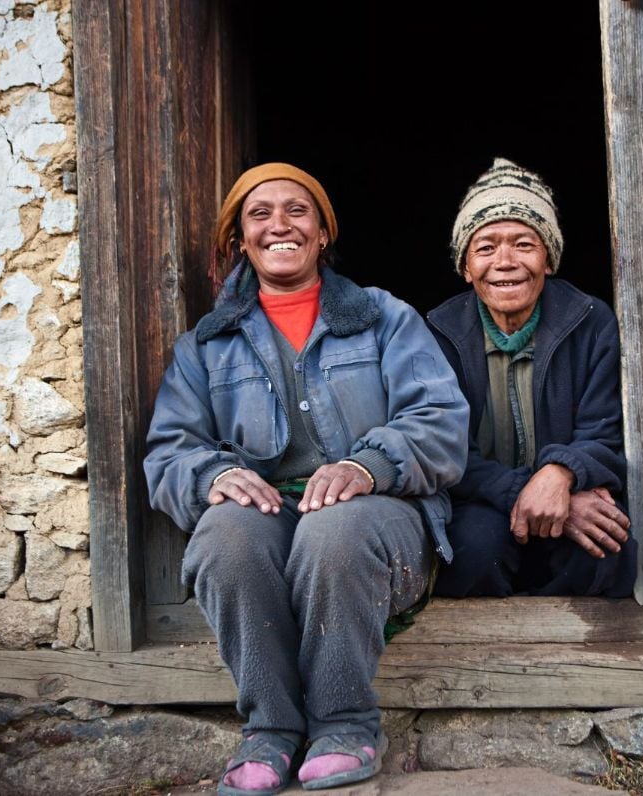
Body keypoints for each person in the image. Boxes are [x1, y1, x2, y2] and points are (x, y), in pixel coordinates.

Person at [144, 163, 468, 795]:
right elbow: (168, 452)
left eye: (297, 211)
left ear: (323, 233)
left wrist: (365, 464)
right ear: (240, 240)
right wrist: (214, 474)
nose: (279, 225)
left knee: (333, 531)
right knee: (225, 540)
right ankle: (269, 732)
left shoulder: (383, 318)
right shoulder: (206, 347)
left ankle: (345, 724)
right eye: (258, 215)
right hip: (271, 522)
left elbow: (441, 421)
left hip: (381, 516)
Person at [426, 157, 637, 598]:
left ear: (549, 258)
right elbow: (440, 450)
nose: (504, 261)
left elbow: (605, 431)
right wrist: (527, 489)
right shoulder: (436, 334)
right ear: (466, 267)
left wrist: (562, 474)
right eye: (485, 248)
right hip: (480, 501)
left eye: (524, 244)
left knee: (609, 546)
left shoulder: (591, 321)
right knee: (470, 549)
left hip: (571, 489)